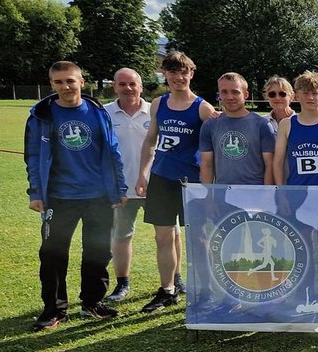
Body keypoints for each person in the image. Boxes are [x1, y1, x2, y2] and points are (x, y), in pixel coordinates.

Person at [25, 61, 128, 330]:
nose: (65, 87)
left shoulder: (97, 113)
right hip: (59, 197)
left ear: (82, 82)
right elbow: (34, 157)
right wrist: (36, 192)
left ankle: (91, 303)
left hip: (98, 196)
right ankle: (54, 309)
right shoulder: (42, 115)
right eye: (59, 82)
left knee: (97, 252)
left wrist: (118, 189)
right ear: (51, 85)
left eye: (70, 81)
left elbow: (113, 153)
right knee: (53, 254)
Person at [136, 51, 218, 313]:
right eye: (173, 72)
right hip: (161, 177)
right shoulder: (159, 103)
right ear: (166, 75)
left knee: (199, 238)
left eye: (184, 72)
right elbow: (151, 140)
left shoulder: (202, 107)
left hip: (191, 182)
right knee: (163, 236)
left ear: (191, 74)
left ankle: (206, 291)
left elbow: (222, 134)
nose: (178, 77)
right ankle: (168, 290)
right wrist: (143, 173)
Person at [104, 68, 156, 302]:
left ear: (141, 87)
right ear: (114, 86)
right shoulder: (105, 114)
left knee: (169, 235)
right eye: (122, 84)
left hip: (156, 185)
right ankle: (122, 283)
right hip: (122, 188)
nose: (128, 88)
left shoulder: (154, 113)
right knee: (121, 236)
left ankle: (175, 279)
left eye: (132, 84)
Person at [199, 72, 275, 185]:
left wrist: (266, 194)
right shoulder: (210, 125)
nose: (229, 97)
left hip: (254, 194)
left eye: (235, 92)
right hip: (223, 195)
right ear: (219, 94)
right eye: (224, 92)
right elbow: (206, 164)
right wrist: (208, 196)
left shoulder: (262, 125)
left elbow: (270, 165)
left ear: (245, 95)